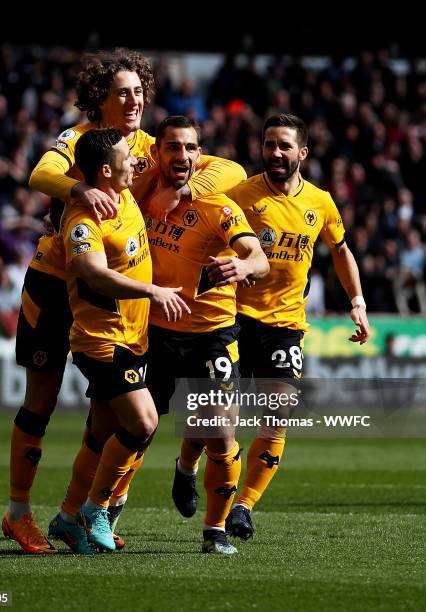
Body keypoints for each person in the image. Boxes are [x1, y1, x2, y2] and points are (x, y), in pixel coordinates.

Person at [3, 48, 246, 554]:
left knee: (109, 420)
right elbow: (38, 176)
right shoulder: (79, 141)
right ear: (102, 97)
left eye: (139, 91)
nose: (134, 100)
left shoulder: (153, 149)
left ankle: (79, 513)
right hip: (55, 280)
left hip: (116, 301)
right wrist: (79, 189)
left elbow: (229, 170)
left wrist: (183, 181)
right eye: (123, 92)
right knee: (41, 403)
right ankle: (19, 512)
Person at [173, 113, 370, 541]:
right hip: (232, 318)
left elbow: (341, 250)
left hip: (284, 324)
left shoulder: (320, 202)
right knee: (215, 419)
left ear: (302, 152)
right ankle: (186, 466)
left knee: (278, 413)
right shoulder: (241, 195)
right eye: (268, 145)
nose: (275, 153)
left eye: (283, 146)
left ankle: (242, 507)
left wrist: (357, 302)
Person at [51, 127, 189, 553]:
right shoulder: (82, 218)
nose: (136, 162)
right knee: (144, 423)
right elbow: (92, 272)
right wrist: (152, 292)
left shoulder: (124, 195)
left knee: (100, 433)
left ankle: (66, 518)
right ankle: (97, 508)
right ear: (107, 169)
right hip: (102, 341)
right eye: (128, 157)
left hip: (134, 337)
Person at [144, 116, 269, 554]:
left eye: (190, 148)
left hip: (210, 334)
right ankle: (103, 509)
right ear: (158, 153)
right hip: (154, 329)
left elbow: (258, 258)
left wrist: (245, 266)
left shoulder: (219, 205)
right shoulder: (141, 198)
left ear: (201, 155)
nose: (182, 156)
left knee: (219, 429)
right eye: (173, 148)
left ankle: (214, 530)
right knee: (135, 426)